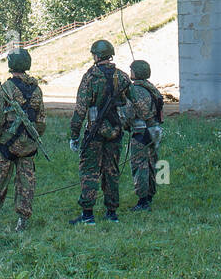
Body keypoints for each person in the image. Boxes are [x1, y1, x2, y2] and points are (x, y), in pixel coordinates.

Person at [0, 48, 46, 233]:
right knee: (26, 184)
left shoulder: (6, 88)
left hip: (7, 146)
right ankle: (22, 222)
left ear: (11, 65)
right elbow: (41, 120)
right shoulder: (37, 90)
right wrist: (32, 138)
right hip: (28, 145)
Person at [68, 39, 130, 224]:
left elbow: (80, 110)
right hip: (115, 132)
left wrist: (74, 135)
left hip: (94, 133)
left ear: (96, 55)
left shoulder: (91, 77)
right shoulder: (123, 77)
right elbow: (132, 101)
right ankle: (112, 213)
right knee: (111, 171)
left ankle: (87, 215)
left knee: (89, 171)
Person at [123, 59, 164, 210]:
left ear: (137, 72)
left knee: (140, 166)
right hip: (154, 131)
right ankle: (150, 195)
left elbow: (129, 113)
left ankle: (142, 201)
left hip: (141, 132)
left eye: (132, 70)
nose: (130, 72)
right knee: (151, 163)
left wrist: (124, 125)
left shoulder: (135, 91)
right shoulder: (152, 89)